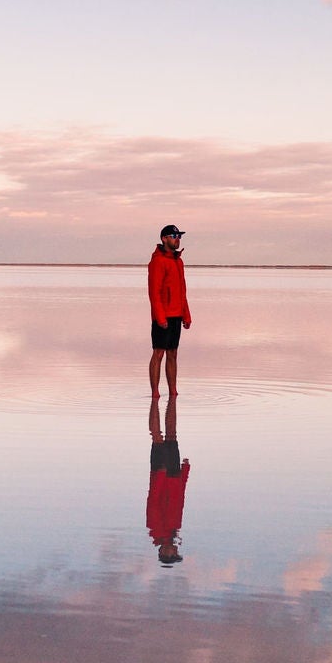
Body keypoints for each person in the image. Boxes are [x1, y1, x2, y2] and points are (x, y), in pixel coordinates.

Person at [147, 224, 192, 398]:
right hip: (163, 316)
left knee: (173, 353)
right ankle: (155, 393)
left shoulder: (178, 261)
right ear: (164, 238)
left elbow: (182, 291)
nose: (177, 239)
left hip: (177, 314)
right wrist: (160, 317)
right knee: (158, 352)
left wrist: (186, 315)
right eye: (174, 236)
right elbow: (154, 292)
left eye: (179, 236)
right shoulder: (157, 261)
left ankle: (173, 391)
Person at [147, 393, 189, 565]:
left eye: (173, 554)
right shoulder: (174, 529)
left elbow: (153, 500)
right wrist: (185, 472)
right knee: (172, 435)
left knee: (157, 436)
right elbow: (181, 499)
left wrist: (161, 475)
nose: (176, 551)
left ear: (163, 552)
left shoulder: (155, 529)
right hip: (175, 476)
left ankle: (155, 402)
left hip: (162, 475)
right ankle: (163, 401)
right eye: (176, 553)